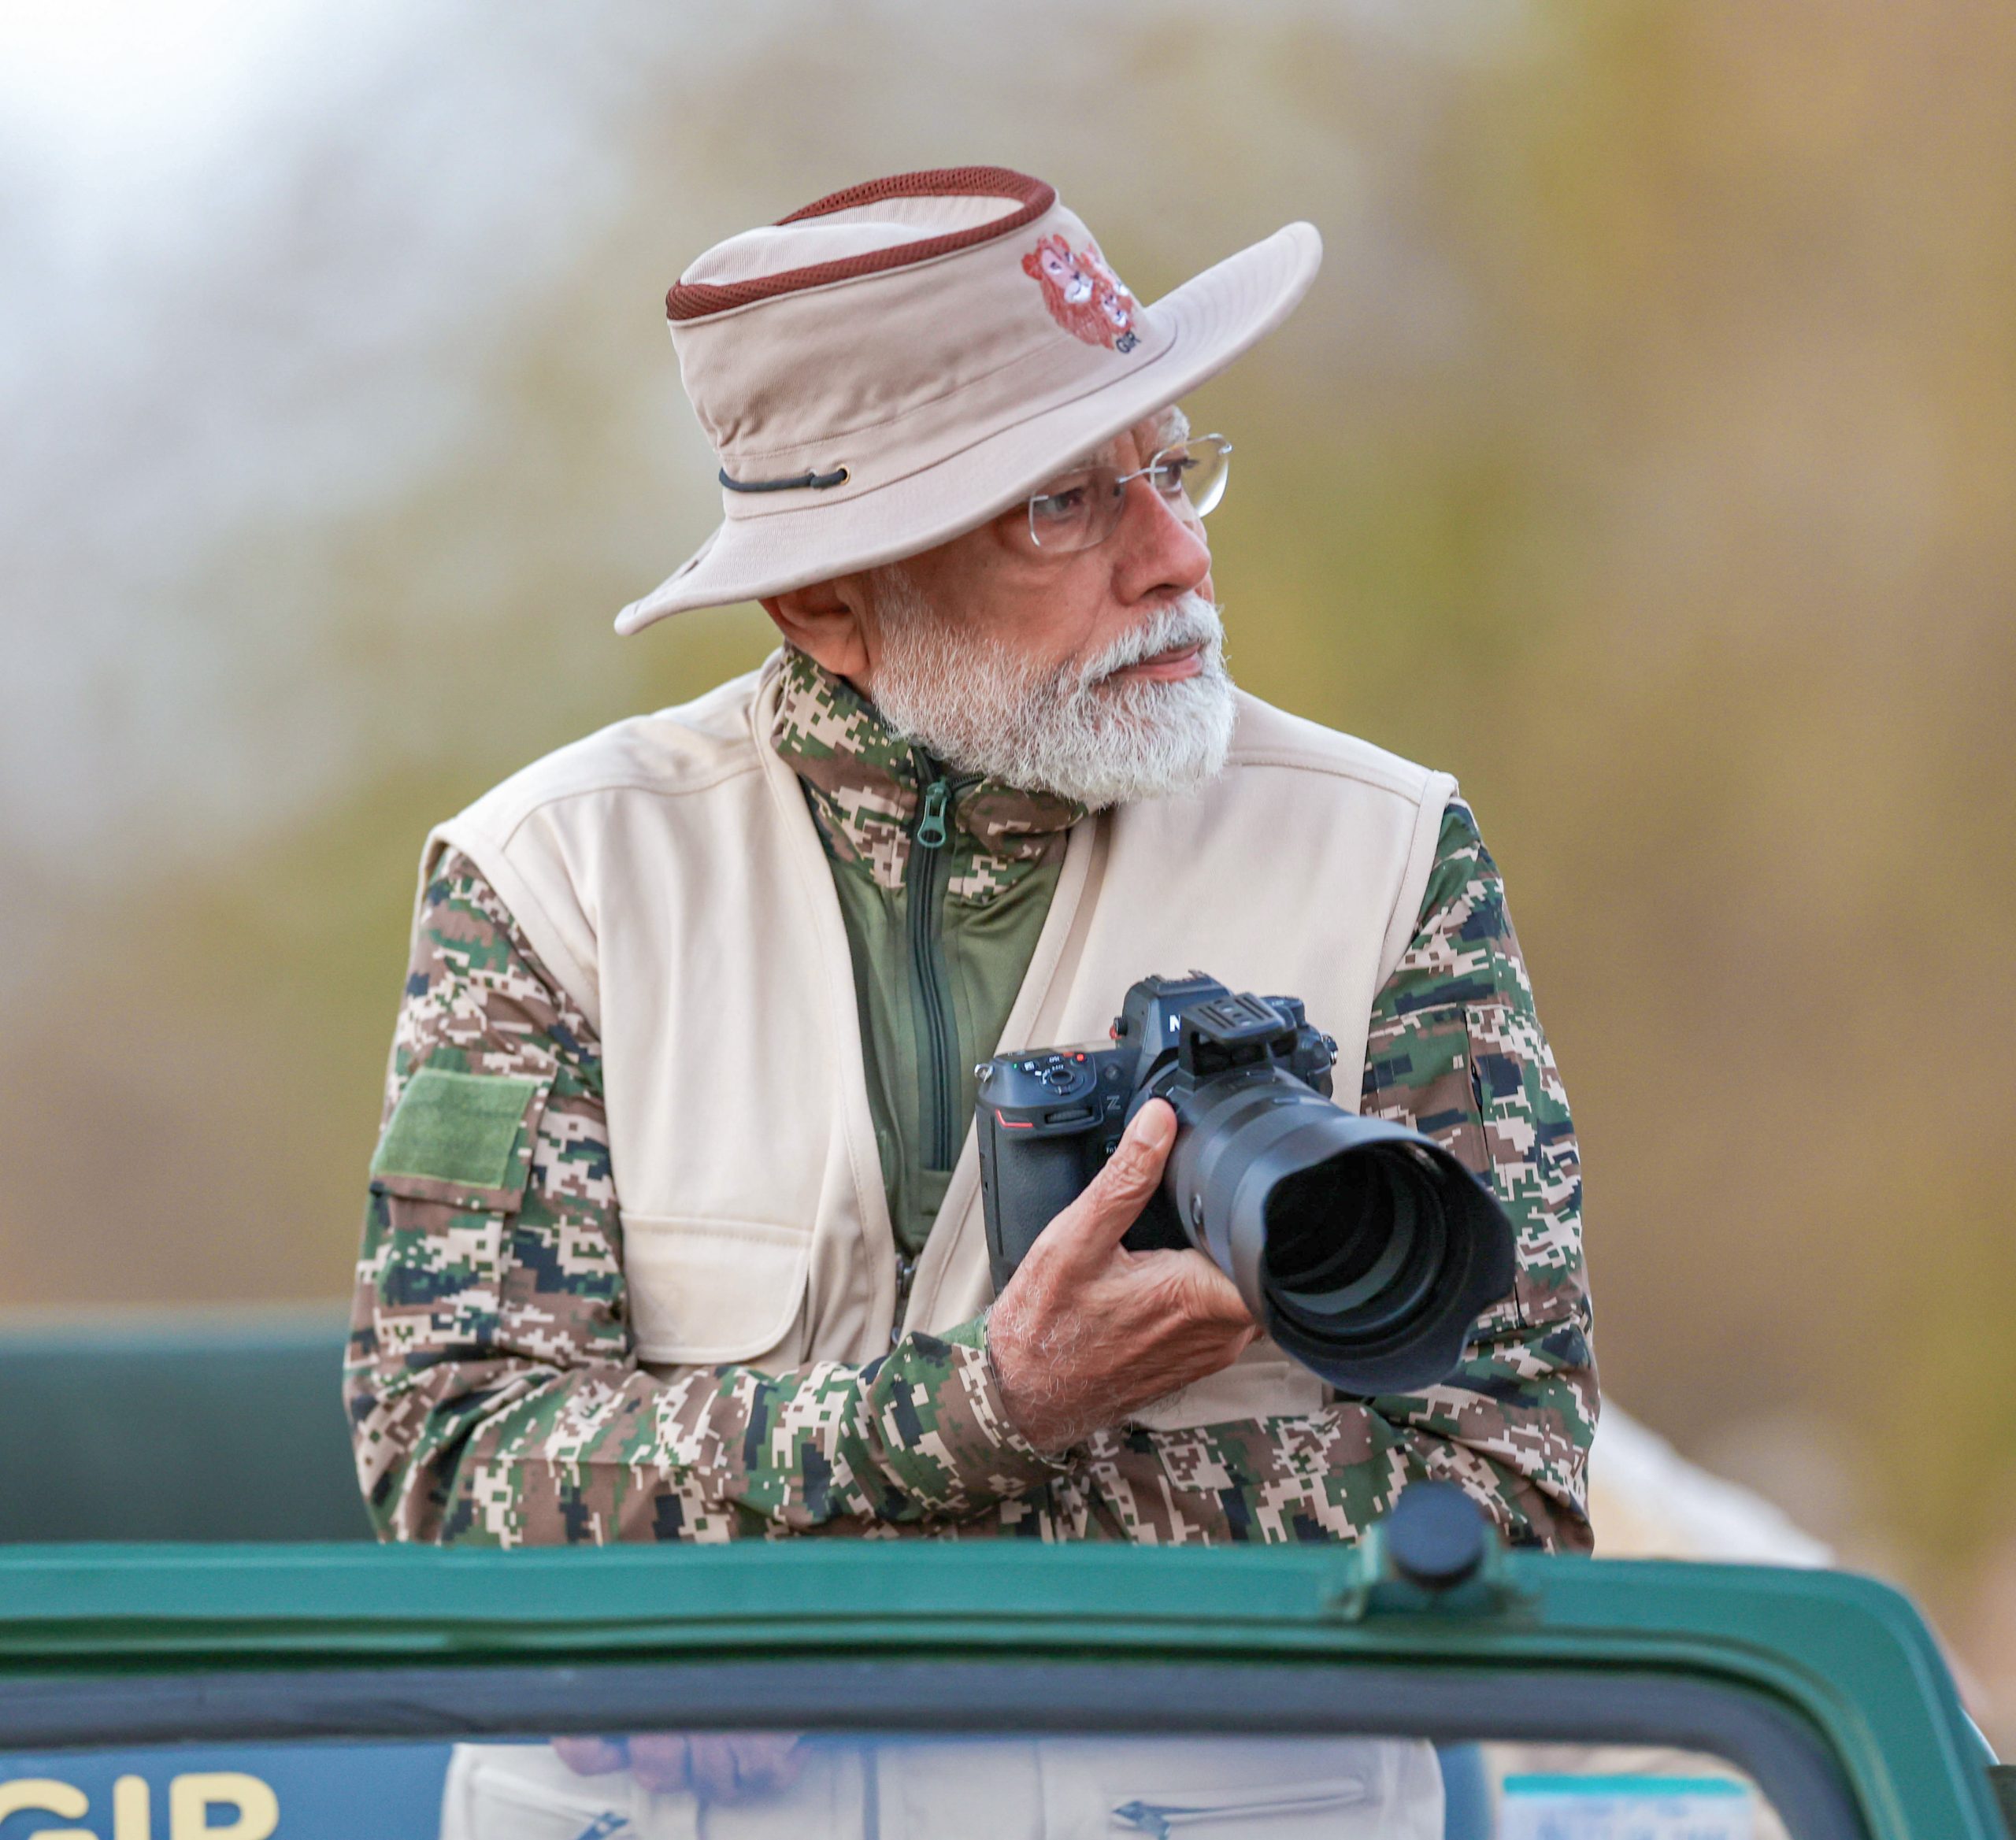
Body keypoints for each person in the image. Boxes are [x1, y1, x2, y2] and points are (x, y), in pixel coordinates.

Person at [346, 165, 1593, 1573]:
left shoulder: (1387, 850)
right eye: (1063, 503)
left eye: (1170, 468)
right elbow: (452, 1467)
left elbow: (1510, 1486)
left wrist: (823, 1545)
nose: (1177, 554)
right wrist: (984, 1413)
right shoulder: (555, 882)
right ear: (825, 602)